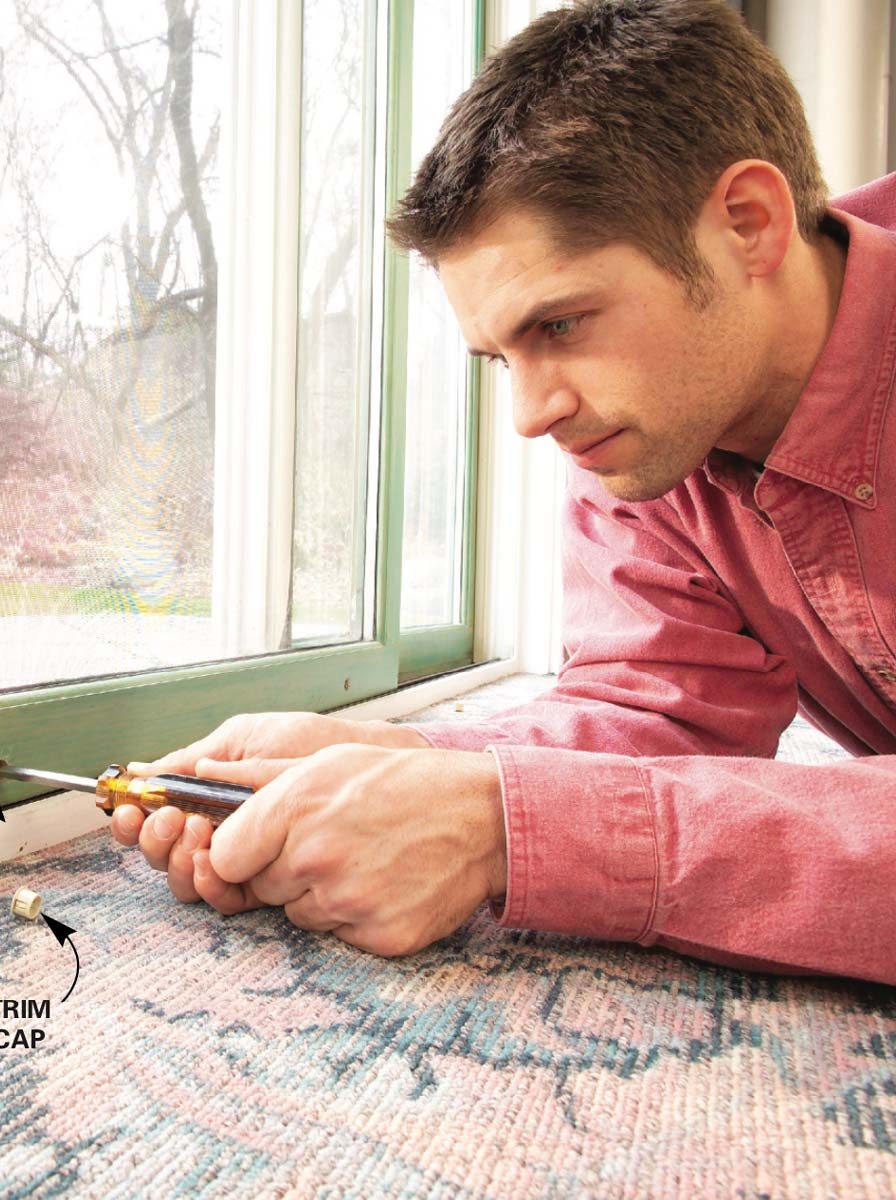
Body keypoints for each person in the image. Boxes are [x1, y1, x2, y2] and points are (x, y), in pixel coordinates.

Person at [111, 0, 896, 986]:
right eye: (500, 358)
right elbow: (661, 716)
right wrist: (381, 760)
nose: (531, 414)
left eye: (562, 323)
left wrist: (505, 833)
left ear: (749, 225)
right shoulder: (649, 431)